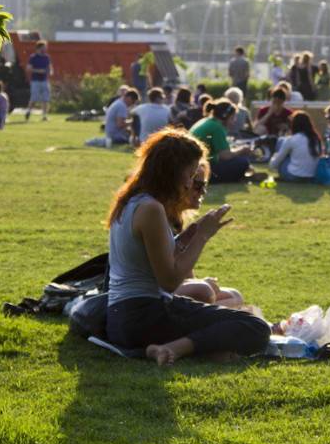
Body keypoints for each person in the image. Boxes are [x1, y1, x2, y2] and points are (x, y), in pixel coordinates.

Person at [105, 128, 270, 365]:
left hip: (122, 320)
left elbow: (154, 255)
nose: (190, 183)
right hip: (145, 315)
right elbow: (169, 281)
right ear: (171, 172)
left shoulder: (132, 201)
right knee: (254, 326)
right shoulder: (151, 209)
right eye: (191, 175)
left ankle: (164, 349)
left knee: (235, 313)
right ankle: (176, 348)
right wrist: (202, 237)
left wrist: (187, 236)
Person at [173, 160, 246, 308]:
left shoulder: (176, 220)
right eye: (198, 186)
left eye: (204, 185)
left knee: (234, 296)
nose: (203, 192)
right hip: (154, 293)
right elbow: (166, 278)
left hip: (171, 288)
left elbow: (186, 274)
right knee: (203, 290)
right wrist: (201, 236)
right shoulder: (156, 215)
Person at [189, 98, 253, 183]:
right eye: (233, 117)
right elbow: (225, 155)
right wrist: (242, 150)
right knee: (243, 162)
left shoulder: (207, 121)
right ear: (225, 116)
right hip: (201, 169)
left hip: (192, 167)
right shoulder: (217, 127)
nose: (234, 121)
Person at [269, 111, 322, 182]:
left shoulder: (292, 139)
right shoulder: (315, 139)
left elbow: (273, 165)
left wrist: (274, 157)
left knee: (281, 141)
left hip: (294, 176)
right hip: (311, 176)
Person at [25, 40, 53, 122]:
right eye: (44, 47)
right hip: (35, 81)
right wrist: (38, 71)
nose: (45, 49)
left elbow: (50, 67)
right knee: (34, 98)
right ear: (39, 48)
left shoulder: (47, 57)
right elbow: (28, 68)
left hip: (45, 80)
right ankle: (28, 112)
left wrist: (50, 71)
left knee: (45, 99)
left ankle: (44, 116)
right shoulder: (33, 57)